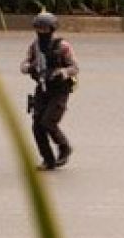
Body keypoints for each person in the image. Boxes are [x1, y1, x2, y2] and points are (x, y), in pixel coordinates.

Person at [20, 12, 79, 171]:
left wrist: (61, 72)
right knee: (37, 126)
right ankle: (48, 159)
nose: (41, 32)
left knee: (48, 122)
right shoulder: (35, 46)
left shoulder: (62, 46)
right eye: (38, 29)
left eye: (45, 29)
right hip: (42, 87)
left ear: (52, 29)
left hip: (59, 90)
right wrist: (29, 68)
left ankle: (64, 147)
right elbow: (24, 64)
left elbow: (74, 67)